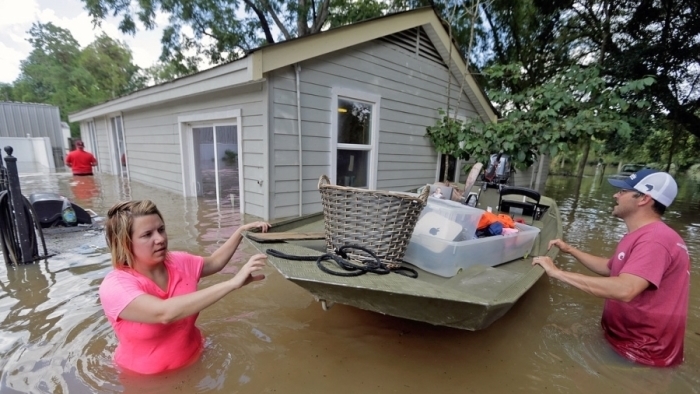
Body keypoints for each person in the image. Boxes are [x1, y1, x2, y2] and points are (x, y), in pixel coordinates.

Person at [533, 169, 690, 367]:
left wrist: (557, 273)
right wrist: (570, 249)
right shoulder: (642, 234)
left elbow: (625, 289)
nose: (616, 195)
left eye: (623, 191)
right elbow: (611, 267)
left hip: (641, 354)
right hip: (625, 343)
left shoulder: (655, 240)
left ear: (643, 199)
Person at [98, 200, 270, 374]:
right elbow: (164, 313)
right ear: (125, 243)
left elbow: (215, 262)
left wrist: (241, 232)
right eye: (147, 234)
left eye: (161, 229)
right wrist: (232, 283)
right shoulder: (116, 286)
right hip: (145, 381)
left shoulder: (178, 261)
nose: (160, 239)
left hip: (199, 359)